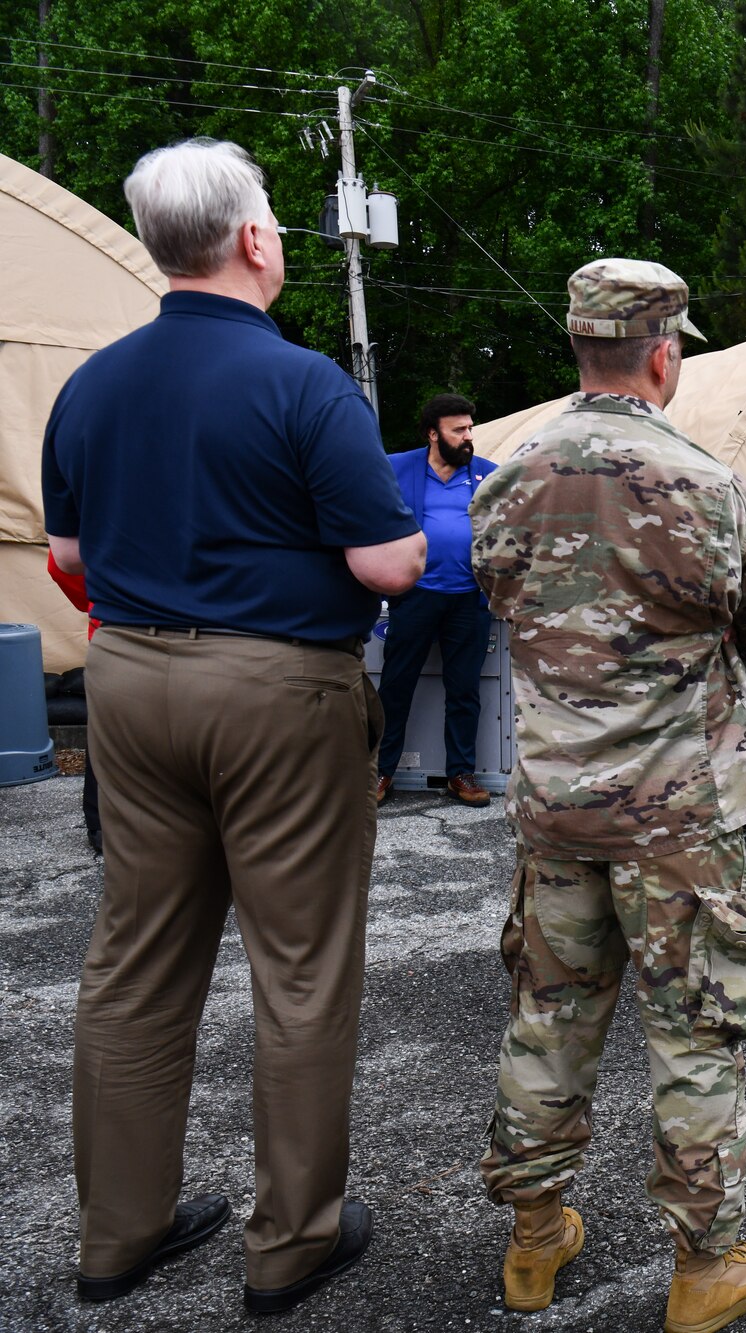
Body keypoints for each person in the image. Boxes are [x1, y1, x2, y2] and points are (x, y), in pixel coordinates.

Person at [40, 138, 423, 1313]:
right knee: (299, 970)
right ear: (257, 241)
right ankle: (290, 1239)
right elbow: (385, 564)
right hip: (274, 692)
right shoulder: (305, 384)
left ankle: (119, 1233)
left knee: (135, 961)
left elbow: (69, 560)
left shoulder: (91, 385)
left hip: (126, 681)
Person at [470, 258, 746, 1333]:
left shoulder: (504, 481)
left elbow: (505, 609)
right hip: (677, 817)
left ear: (580, 346)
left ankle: (532, 1238)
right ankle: (703, 1266)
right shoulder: (711, 487)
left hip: (556, 803)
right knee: (694, 1030)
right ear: (665, 351)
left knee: (548, 1018)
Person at [374, 392, 498, 806]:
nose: (468, 436)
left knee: (464, 691)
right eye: (458, 429)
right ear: (433, 433)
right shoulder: (397, 468)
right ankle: (379, 772)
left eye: (470, 428)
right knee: (395, 686)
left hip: (468, 600)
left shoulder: (487, 475)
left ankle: (460, 773)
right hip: (415, 596)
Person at [46, 552, 101, 854]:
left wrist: (99, 599)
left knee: (111, 732)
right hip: (211, 632)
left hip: (117, 629)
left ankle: (104, 826)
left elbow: (62, 561)